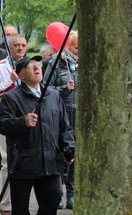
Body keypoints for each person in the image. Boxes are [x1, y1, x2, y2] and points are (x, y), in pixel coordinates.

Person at [0, 56, 75, 215]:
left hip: (50, 164)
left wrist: (69, 147)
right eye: (30, 66)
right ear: (21, 75)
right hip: (23, 164)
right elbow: (2, 124)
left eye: (38, 65)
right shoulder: (11, 97)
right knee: (20, 210)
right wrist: (22, 122)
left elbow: (64, 127)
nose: (37, 68)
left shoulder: (53, 95)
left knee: (52, 203)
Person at [0, 33, 27, 214]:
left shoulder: (32, 67)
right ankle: (6, 203)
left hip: (27, 122)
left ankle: (22, 202)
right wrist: (10, 82)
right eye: (16, 45)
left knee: (26, 163)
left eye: (23, 45)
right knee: (7, 162)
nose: (20, 48)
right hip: (7, 122)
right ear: (9, 47)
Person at [47, 31, 78, 209]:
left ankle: (72, 195)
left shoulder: (87, 62)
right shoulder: (57, 62)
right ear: (69, 46)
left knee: (75, 155)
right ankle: (57, 194)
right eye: (75, 47)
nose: (78, 51)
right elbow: (46, 87)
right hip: (60, 114)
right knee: (59, 154)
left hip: (79, 116)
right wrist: (64, 88)